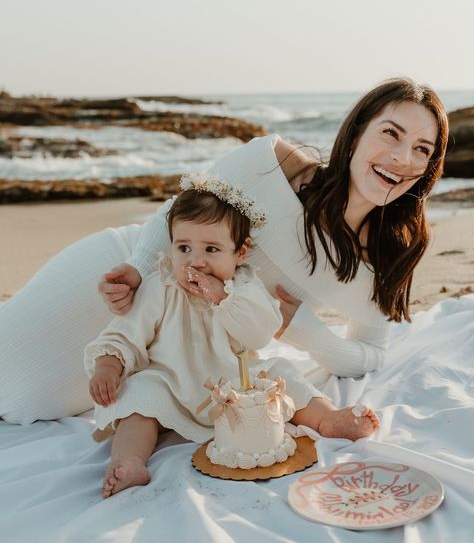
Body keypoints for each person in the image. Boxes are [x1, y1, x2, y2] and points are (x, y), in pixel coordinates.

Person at [0, 78, 448, 424]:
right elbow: (176, 211)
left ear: (428, 169)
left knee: (25, 405)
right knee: (11, 382)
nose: (401, 157)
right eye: (390, 134)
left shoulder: (387, 257)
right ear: (355, 134)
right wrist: (138, 269)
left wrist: (302, 330)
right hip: (129, 289)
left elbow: (372, 355)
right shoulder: (277, 164)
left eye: (421, 149)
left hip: (181, 356)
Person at [85, 177, 379, 497]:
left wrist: (223, 298)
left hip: (236, 382)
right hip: (170, 383)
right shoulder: (161, 287)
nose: (196, 261)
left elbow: (260, 334)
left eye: (211, 249)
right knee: (137, 396)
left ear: (240, 252)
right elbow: (125, 333)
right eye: (184, 248)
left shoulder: (245, 289)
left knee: (282, 373)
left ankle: (328, 419)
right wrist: (108, 366)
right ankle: (129, 462)